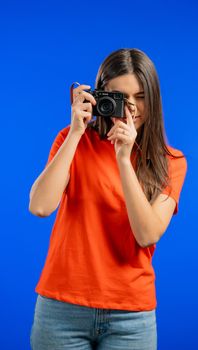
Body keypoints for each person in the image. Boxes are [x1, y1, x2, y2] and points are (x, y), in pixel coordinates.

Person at [29, 48, 187, 350]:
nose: (131, 109)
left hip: (131, 316)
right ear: (101, 95)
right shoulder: (71, 140)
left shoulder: (172, 162)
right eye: (120, 98)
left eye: (140, 97)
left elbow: (147, 233)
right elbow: (39, 206)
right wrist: (76, 131)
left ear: (154, 99)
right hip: (61, 308)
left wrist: (124, 160)